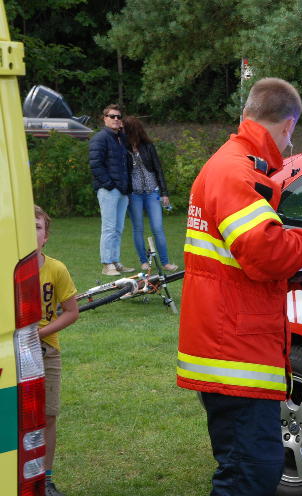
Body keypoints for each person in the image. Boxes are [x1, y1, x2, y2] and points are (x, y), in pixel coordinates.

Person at [177, 77, 302, 496]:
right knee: (251, 473)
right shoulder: (236, 171)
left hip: (234, 345)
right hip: (235, 351)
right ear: (288, 126)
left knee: (249, 469)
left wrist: (294, 275)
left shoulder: (234, 165)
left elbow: (239, 263)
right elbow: (263, 250)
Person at [35, 205, 80, 496]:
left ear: (46, 236)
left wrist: (39, 333)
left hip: (46, 350)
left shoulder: (55, 268)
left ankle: (46, 479)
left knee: (47, 415)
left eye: (37, 227)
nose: (31, 233)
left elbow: (71, 312)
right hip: (11, 352)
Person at [123, 116, 178, 272]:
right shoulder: (123, 148)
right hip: (134, 194)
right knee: (138, 229)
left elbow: (158, 169)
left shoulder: (148, 146)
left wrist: (164, 193)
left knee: (158, 227)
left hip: (152, 192)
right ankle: (144, 261)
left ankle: (165, 262)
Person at [89, 104, 135, 276]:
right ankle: (107, 264)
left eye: (118, 117)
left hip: (122, 190)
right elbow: (95, 164)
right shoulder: (100, 138)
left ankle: (115, 261)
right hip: (109, 190)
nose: (116, 119)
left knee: (118, 228)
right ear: (105, 118)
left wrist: (125, 186)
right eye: (112, 116)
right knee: (109, 228)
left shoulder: (121, 138)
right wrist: (109, 184)